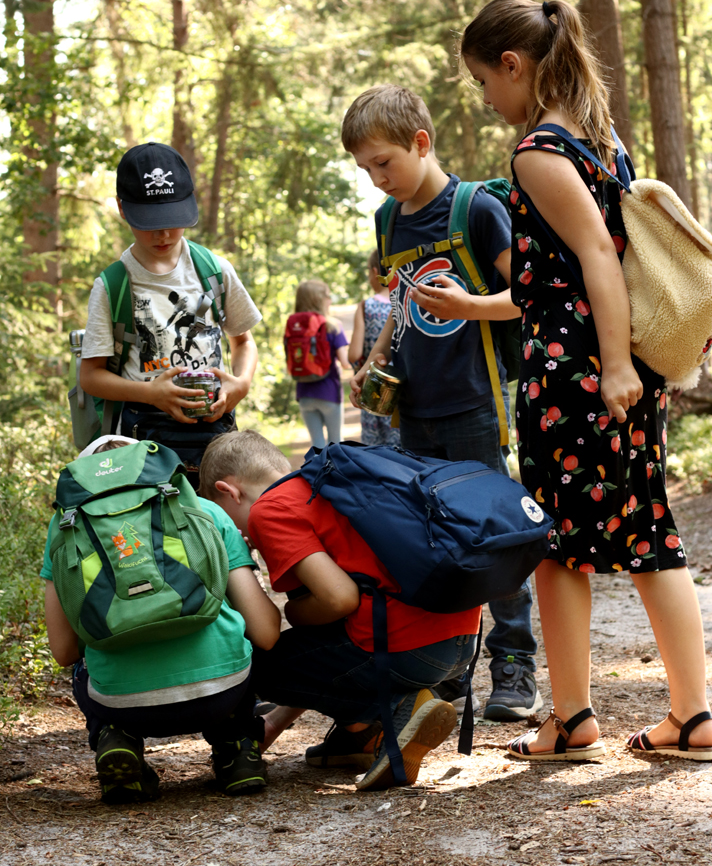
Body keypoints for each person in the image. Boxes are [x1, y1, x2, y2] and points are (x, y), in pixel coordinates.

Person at [460, 0, 712, 761]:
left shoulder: (538, 153)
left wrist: (609, 367)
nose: (486, 100)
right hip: (622, 363)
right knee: (648, 532)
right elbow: (563, 277)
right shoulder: (604, 145)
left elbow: (600, 260)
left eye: (485, 83)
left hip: (579, 375)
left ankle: (572, 718)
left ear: (514, 66)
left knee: (557, 545)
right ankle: (689, 715)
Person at [342, 84, 542, 722]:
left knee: (495, 533)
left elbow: (530, 297)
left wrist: (469, 306)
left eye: (384, 164)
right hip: (413, 411)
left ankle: (513, 663)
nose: (377, 181)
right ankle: (446, 670)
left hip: (476, 402)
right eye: (365, 169)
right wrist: (372, 360)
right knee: (432, 543)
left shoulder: (475, 209)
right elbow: (402, 301)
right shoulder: (387, 222)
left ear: (421, 143)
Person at [199, 429, 480, 791]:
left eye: (227, 520)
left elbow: (340, 599)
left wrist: (294, 614)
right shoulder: (322, 485)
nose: (237, 532)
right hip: (459, 641)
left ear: (229, 491)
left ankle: (399, 708)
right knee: (317, 648)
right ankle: (358, 735)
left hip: (409, 650)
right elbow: (328, 640)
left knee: (254, 663)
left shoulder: (270, 509)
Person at [42, 435, 282, 803]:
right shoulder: (204, 510)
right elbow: (265, 634)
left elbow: (62, 650)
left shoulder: (64, 529)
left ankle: (115, 737)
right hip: (223, 694)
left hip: (121, 703)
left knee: (81, 664)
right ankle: (236, 746)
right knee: (242, 629)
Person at [79, 141, 261, 490]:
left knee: (219, 524)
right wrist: (152, 394)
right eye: (150, 222)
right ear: (122, 208)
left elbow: (243, 341)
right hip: (144, 435)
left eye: (173, 221)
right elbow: (91, 377)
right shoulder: (114, 285)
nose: (163, 233)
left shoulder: (213, 270)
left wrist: (242, 383)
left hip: (215, 428)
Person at [347, 249, 401, 447]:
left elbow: (354, 354)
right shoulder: (408, 300)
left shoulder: (366, 306)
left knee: (376, 452)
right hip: (401, 391)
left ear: (375, 270)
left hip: (374, 391)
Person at [293, 280, 350, 448]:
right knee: (336, 444)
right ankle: (335, 475)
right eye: (328, 296)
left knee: (317, 445)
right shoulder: (332, 326)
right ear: (319, 299)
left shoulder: (293, 327)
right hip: (329, 392)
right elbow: (346, 363)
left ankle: (316, 474)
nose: (330, 300)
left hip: (304, 393)